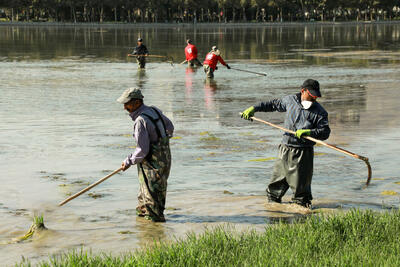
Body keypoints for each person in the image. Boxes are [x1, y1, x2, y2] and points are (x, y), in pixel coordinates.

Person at [241, 79, 330, 208]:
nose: (314, 98)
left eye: (316, 96)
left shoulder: (320, 112)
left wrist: (310, 132)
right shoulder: (290, 100)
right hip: (285, 149)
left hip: (302, 153)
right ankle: (274, 213)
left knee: (301, 194)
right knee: (274, 189)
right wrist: (255, 108)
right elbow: (272, 105)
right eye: (311, 95)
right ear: (303, 91)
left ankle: (302, 216)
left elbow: (325, 132)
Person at [117, 88, 174, 222]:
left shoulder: (140, 121)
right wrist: (161, 140)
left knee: (151, 199)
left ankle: (154, 233)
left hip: (151, 163)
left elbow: (142, 150)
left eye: (127, 104)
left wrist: (128, 161)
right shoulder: (154, 110)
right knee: (153, 193)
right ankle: (144, 227)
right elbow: (170, 127)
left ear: (137, 102)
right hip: (165, 158)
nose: (125, 107)